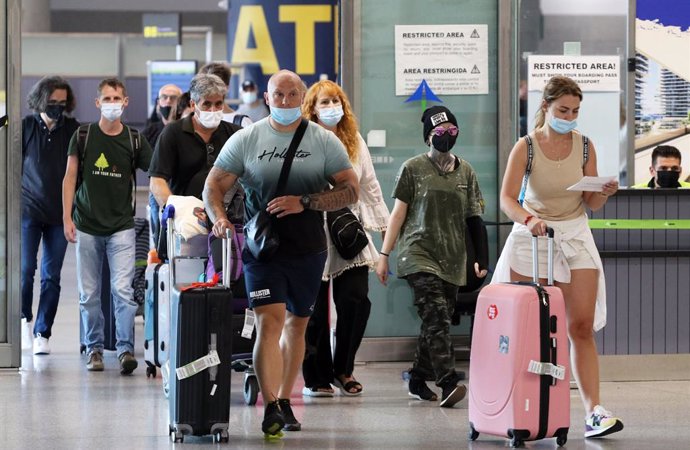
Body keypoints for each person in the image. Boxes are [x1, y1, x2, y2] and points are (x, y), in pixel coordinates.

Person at [203, 70, 358, 437]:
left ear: (301, 97)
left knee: (297, 324)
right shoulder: (248, 138)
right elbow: (214, 184)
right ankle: (271, 404)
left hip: (308, 248)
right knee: (269, 323)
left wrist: (305, 201)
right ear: (267, 97)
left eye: (292, 95)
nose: (285, 102)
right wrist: (220, 218)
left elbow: (350, 190)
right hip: (263, 248)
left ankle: (285, 399)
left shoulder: (323, 140)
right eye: (278, 95)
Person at [493, 75, 623, 438]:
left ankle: (593, 411)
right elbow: (507, 199)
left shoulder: (585, 147)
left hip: (574, 232)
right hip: (532, 232)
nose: (569, 116)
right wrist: (529, 219)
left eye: (575, 111)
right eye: (563, 110)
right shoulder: (526, 146)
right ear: (546, 107)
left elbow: (591, 202)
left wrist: (604, 192)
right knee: (526, 327)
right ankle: (515, 404)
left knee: (580, 326)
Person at [375, 105, 488, 409]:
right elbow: (398, 215)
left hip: (452, 257)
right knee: (436, 315)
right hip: (417, 253)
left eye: (452, 131)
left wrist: (482, 259)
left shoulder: (466, 171)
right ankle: (448, 381)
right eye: (439, 132)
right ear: (428, 137)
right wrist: (384, 254)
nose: (446, 137)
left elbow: (474, 218)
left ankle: (416, 377)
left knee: (434, 322)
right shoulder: (412, 169)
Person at [299, 80, 389, 397]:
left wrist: (384, 229)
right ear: (312, 107)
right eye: (325, 101)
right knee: (312, 310)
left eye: (337, 100)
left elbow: (369, 185)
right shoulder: (301, 139)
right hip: (309, 228)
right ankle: (317, 375)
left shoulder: (354, 140)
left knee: (356, 300)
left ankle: (344, 368)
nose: (332, 106)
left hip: (348, 228)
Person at [62, 78, 153, 374]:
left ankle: (126, 349)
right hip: (87, 224)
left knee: (122, 290)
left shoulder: (134, 139)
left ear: (126, 102)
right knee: (89, 293)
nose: (113, 103)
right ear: (97, 103)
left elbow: (156, 172)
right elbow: (70, 178)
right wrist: (67, 217)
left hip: (121, 227)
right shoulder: (83, 135)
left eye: (118, 98)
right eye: (107, 99)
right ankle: (94, 349)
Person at [21, 76, 80, 355]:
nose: (57, 107)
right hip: (28, 211)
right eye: (52, 102)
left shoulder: (73, 130)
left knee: (51, 276)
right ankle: (23, 317)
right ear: (41, 100)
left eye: (62, 102)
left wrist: (73, 215)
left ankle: (42, 331)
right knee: (24, 271)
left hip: (60, 214)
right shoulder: (26, 127)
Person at [149, 74, 242, 212]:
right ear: (193, 105)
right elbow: (157, 181)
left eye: (218, 104)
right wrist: (176, 212)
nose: (213, 110)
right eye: (206, 104)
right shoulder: (173, 133)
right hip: (185, 219)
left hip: (227, 217)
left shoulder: (235, 134)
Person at [143, 83, 182, 247]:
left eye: (173, 98)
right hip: (157, 191)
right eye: (164, 97)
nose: (168, 101)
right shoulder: (150, 131)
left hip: (182, 188)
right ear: (158, 103)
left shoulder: (187, 129)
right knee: (159, 234)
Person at [197, 62, 253, 127]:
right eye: (204, 86)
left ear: (226, 88)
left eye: (214, 86)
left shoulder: (242, 123)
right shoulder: (196, 121)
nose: (208, 91)